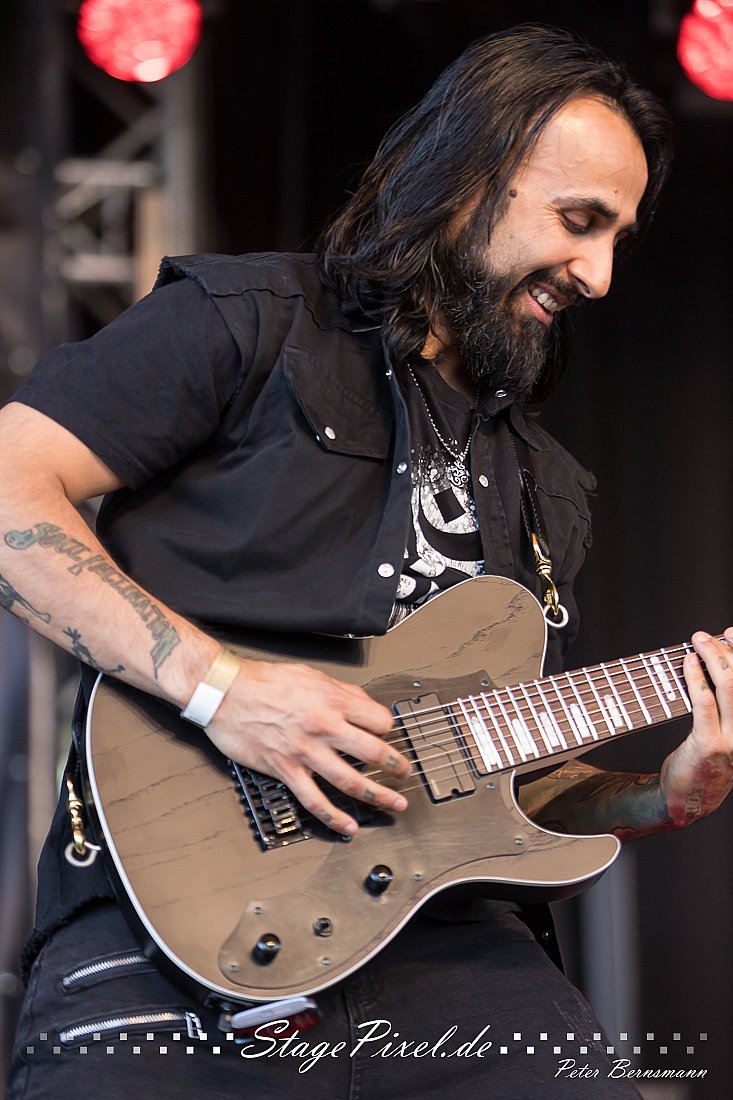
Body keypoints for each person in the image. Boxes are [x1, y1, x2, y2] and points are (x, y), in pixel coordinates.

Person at [3, 22, 732, 1100]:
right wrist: (223, 691)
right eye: (579, 222)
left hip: (447, 957)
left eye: (619, 237)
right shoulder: (246, 322)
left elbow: (508, 771)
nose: (598, 273)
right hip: (165, 926)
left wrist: (654, 797)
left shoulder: (546, 482)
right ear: (465, 178)